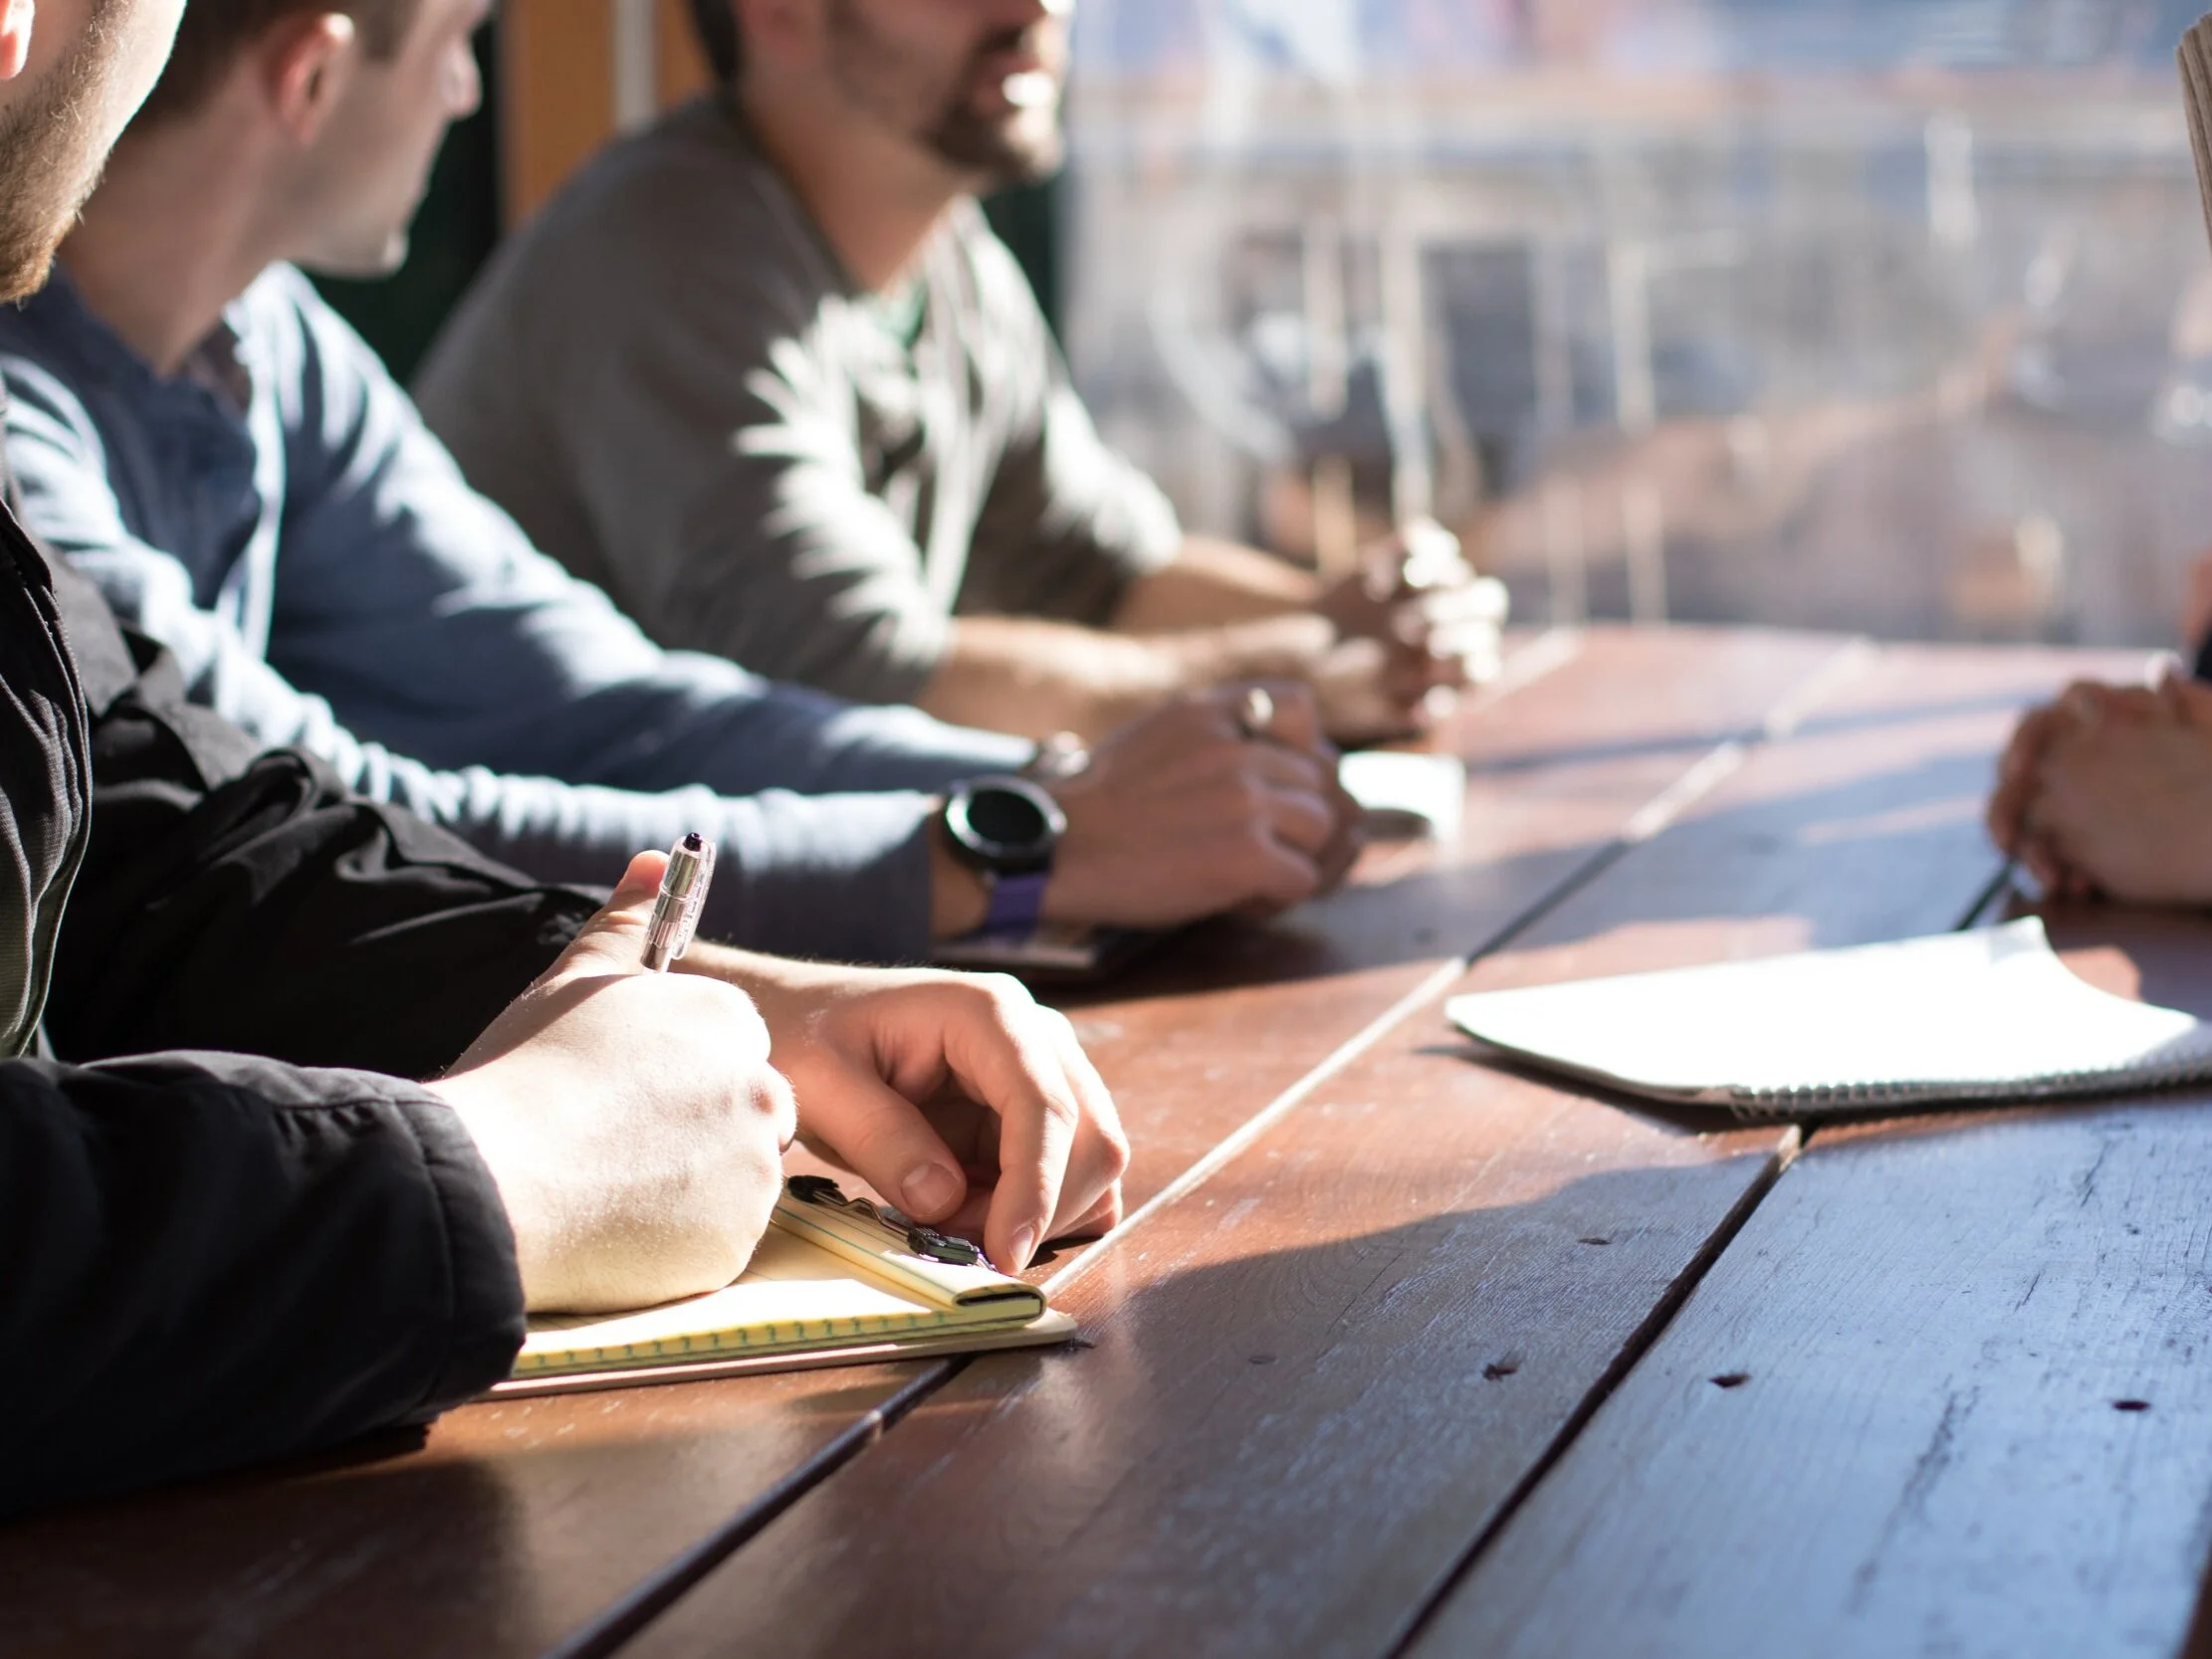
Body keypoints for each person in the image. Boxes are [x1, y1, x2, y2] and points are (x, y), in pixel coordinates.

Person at [0, 0, 1126, 1516]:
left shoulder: (267, 349)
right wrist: (498, 1165)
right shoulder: (674, 240)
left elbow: (187, 836)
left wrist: (711, 996)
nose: (472, 91)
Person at [0, 0, 1359, 968]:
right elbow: (313, 827)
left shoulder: (265, 340)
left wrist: (1047, 785)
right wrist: (1014, 846)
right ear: (309, 78)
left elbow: (596, 699)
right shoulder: (24, 439)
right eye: (469, 38)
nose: (472, 94)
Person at [414, 0, 1506, 749]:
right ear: (778, 12)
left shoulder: (944, 250)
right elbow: (860, 680)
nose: (1039, 6)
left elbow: (1105, 571)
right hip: (544, 942)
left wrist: (1358, 617)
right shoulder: (666, 249)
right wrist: (1301, 671)